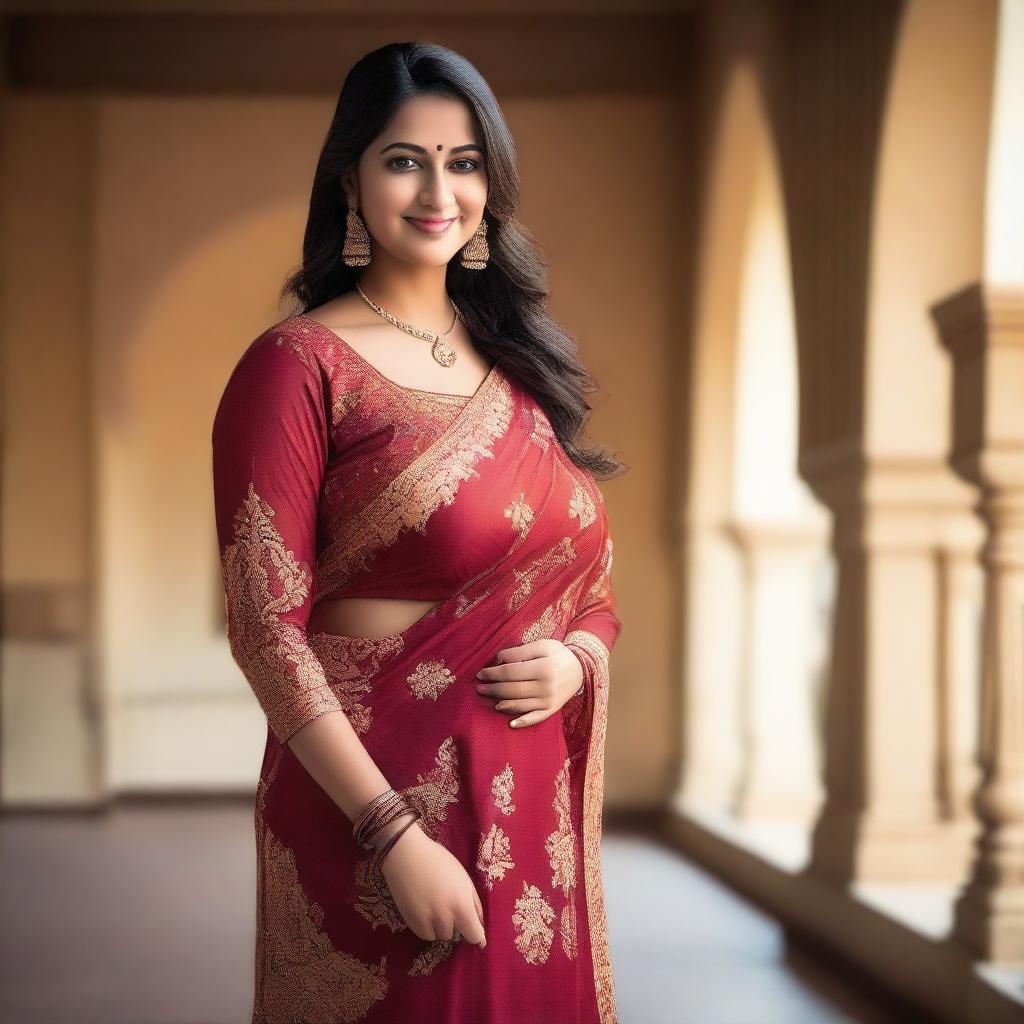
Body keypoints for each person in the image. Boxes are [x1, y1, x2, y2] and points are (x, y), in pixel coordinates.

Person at [211, 40, 627, 1024]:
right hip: (377, 807)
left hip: (531, 815)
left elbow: (594, 593)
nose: (439, 188)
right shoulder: (295, 366)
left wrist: (575, 657)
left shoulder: (520, 368)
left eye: (464, 160)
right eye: (405, 158)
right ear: (349, 178)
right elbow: (264, 627)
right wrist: (390, 831)